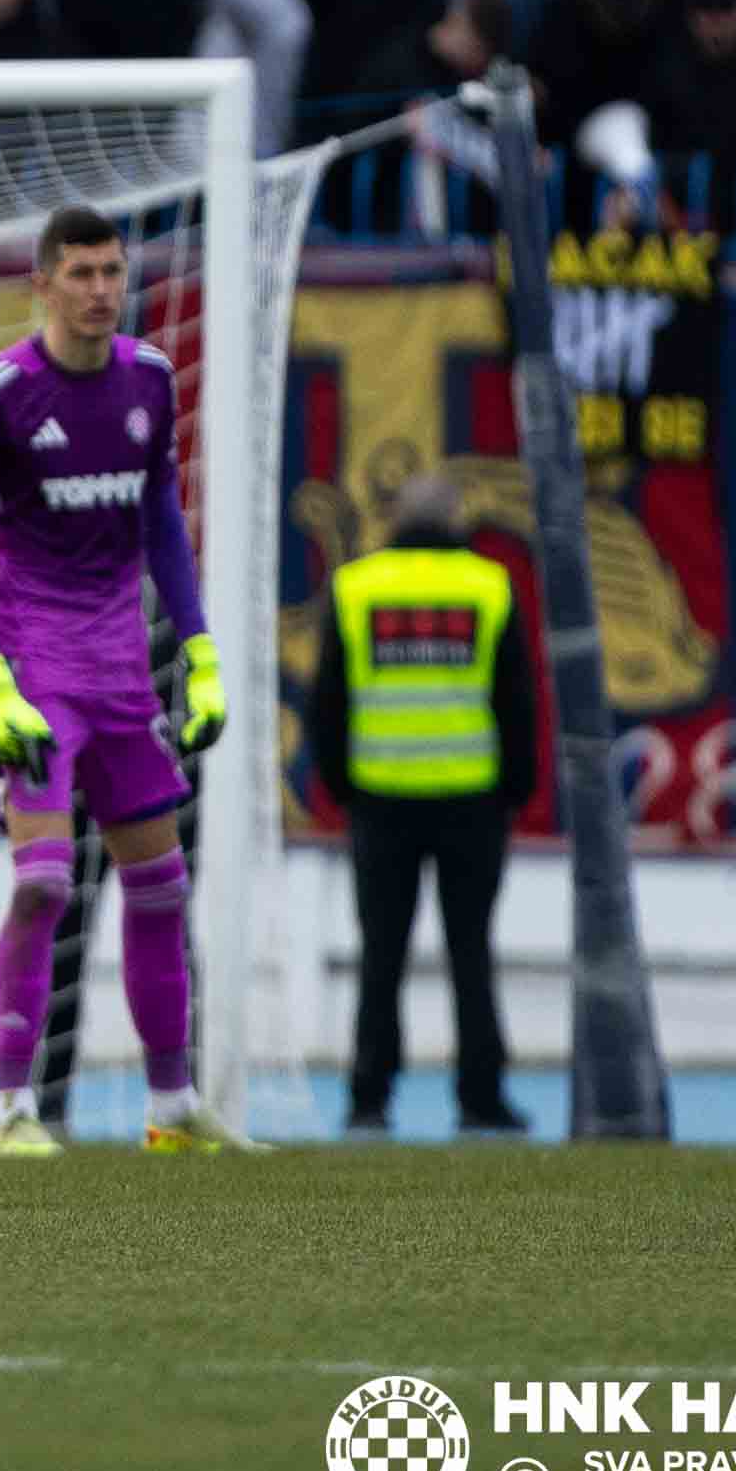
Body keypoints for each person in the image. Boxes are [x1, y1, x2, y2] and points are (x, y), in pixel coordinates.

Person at [0, 206, 243, 1155]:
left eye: (113, 270)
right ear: (43, 283)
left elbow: (161, 521)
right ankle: (10, 1112)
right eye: (82, 273)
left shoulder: (150, 379)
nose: (103, 289)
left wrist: (199, 651)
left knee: (160, 886)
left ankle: (173, 1110)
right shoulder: (0, 393)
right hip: (35, 676)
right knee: (44, 885)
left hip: (121, 676)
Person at [315, 478, 539, 1138]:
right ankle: (481, 1099)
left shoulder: (358, 587)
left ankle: (368, 1098)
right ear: (457, 519)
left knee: (380, 955)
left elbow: (330, 700)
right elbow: (518, 703)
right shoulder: (489, 586)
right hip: (472, 801)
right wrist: (515, 791)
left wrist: (341, 786)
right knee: (471, 953)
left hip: (380, 800)